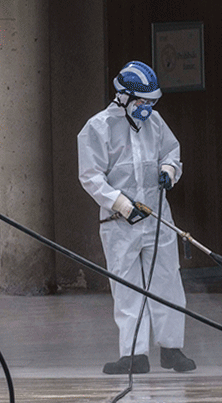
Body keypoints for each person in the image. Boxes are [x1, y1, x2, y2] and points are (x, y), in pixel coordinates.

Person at [77, 61, 197, 375]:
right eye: (143, 102)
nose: (148, 107)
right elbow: (90, 177)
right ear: (124, 97)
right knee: (127, 288)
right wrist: (122, 204)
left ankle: (171, 350)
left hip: (157, 218)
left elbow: (172, 152)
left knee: (167, 282)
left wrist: (169, 171)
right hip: (120, 225)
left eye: (151, 102)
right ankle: (134, 355)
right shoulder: (97, 128)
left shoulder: (154, 122)